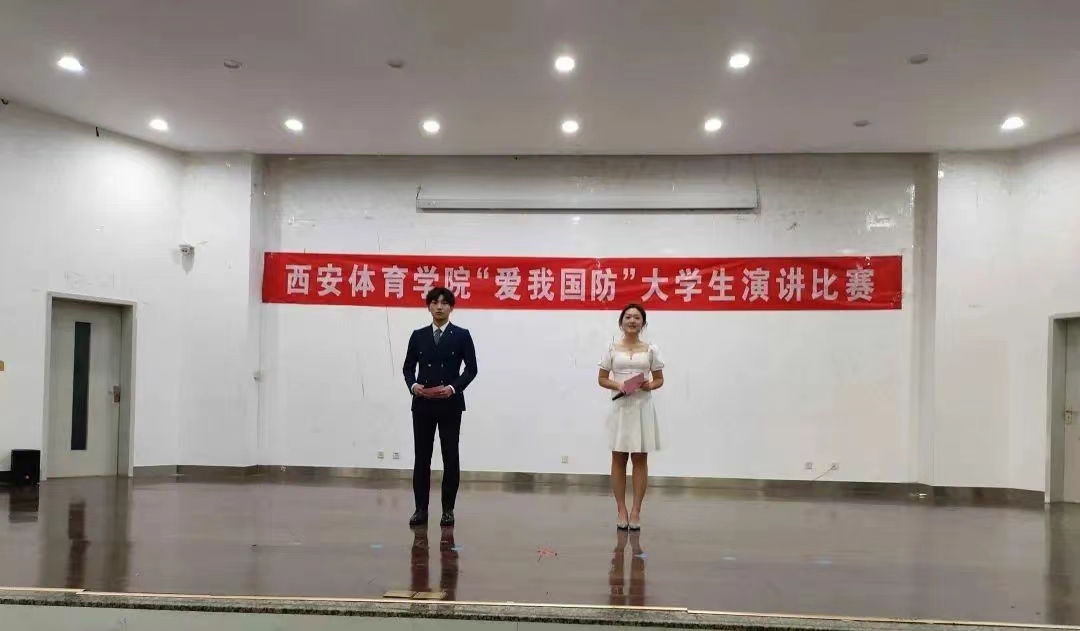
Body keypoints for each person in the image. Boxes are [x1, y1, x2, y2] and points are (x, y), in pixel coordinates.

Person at [403, 287, 478, 527]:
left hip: (450, 404)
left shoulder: (462, 335)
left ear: (451, 307)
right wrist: (413, 385)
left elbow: (472, 369)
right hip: (423, 404)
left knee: (450, 457)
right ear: (428, 306)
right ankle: (420, 509)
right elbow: (408, 367)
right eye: (434, 302)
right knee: (422, 458)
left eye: (444, 303)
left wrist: (454, 388)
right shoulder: (418, 336)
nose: (439, 307)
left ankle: (448, 510)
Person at [597, 303, 664, 531]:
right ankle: (621, 509)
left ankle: (636, 510)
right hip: (620, 407)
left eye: (637, 317)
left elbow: (659, 379)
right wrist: (619, 385)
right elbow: (602, 378)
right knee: (618, 458)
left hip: (642, 407)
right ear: (621, 322)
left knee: (640, 459)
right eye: (628, 317)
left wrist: (648, 385)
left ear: (643, 323)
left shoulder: (651, 349)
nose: (632, 321)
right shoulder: (611, 348)